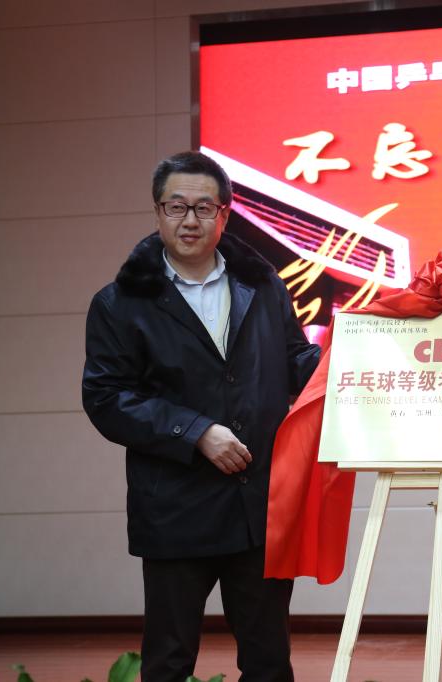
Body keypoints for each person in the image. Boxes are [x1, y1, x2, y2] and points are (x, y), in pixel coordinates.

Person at [82, 151, 319, 682]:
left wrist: (362, 354)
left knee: (268, 661)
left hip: (257, 505)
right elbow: (105, 398)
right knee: (168, 661)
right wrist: (196, 432)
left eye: (204, 208)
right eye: (177, 207)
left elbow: (294, 360)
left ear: (224, 215)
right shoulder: (120, 303)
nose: (190, 220)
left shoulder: (262, 287)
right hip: (175, 508)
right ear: (158, 212)